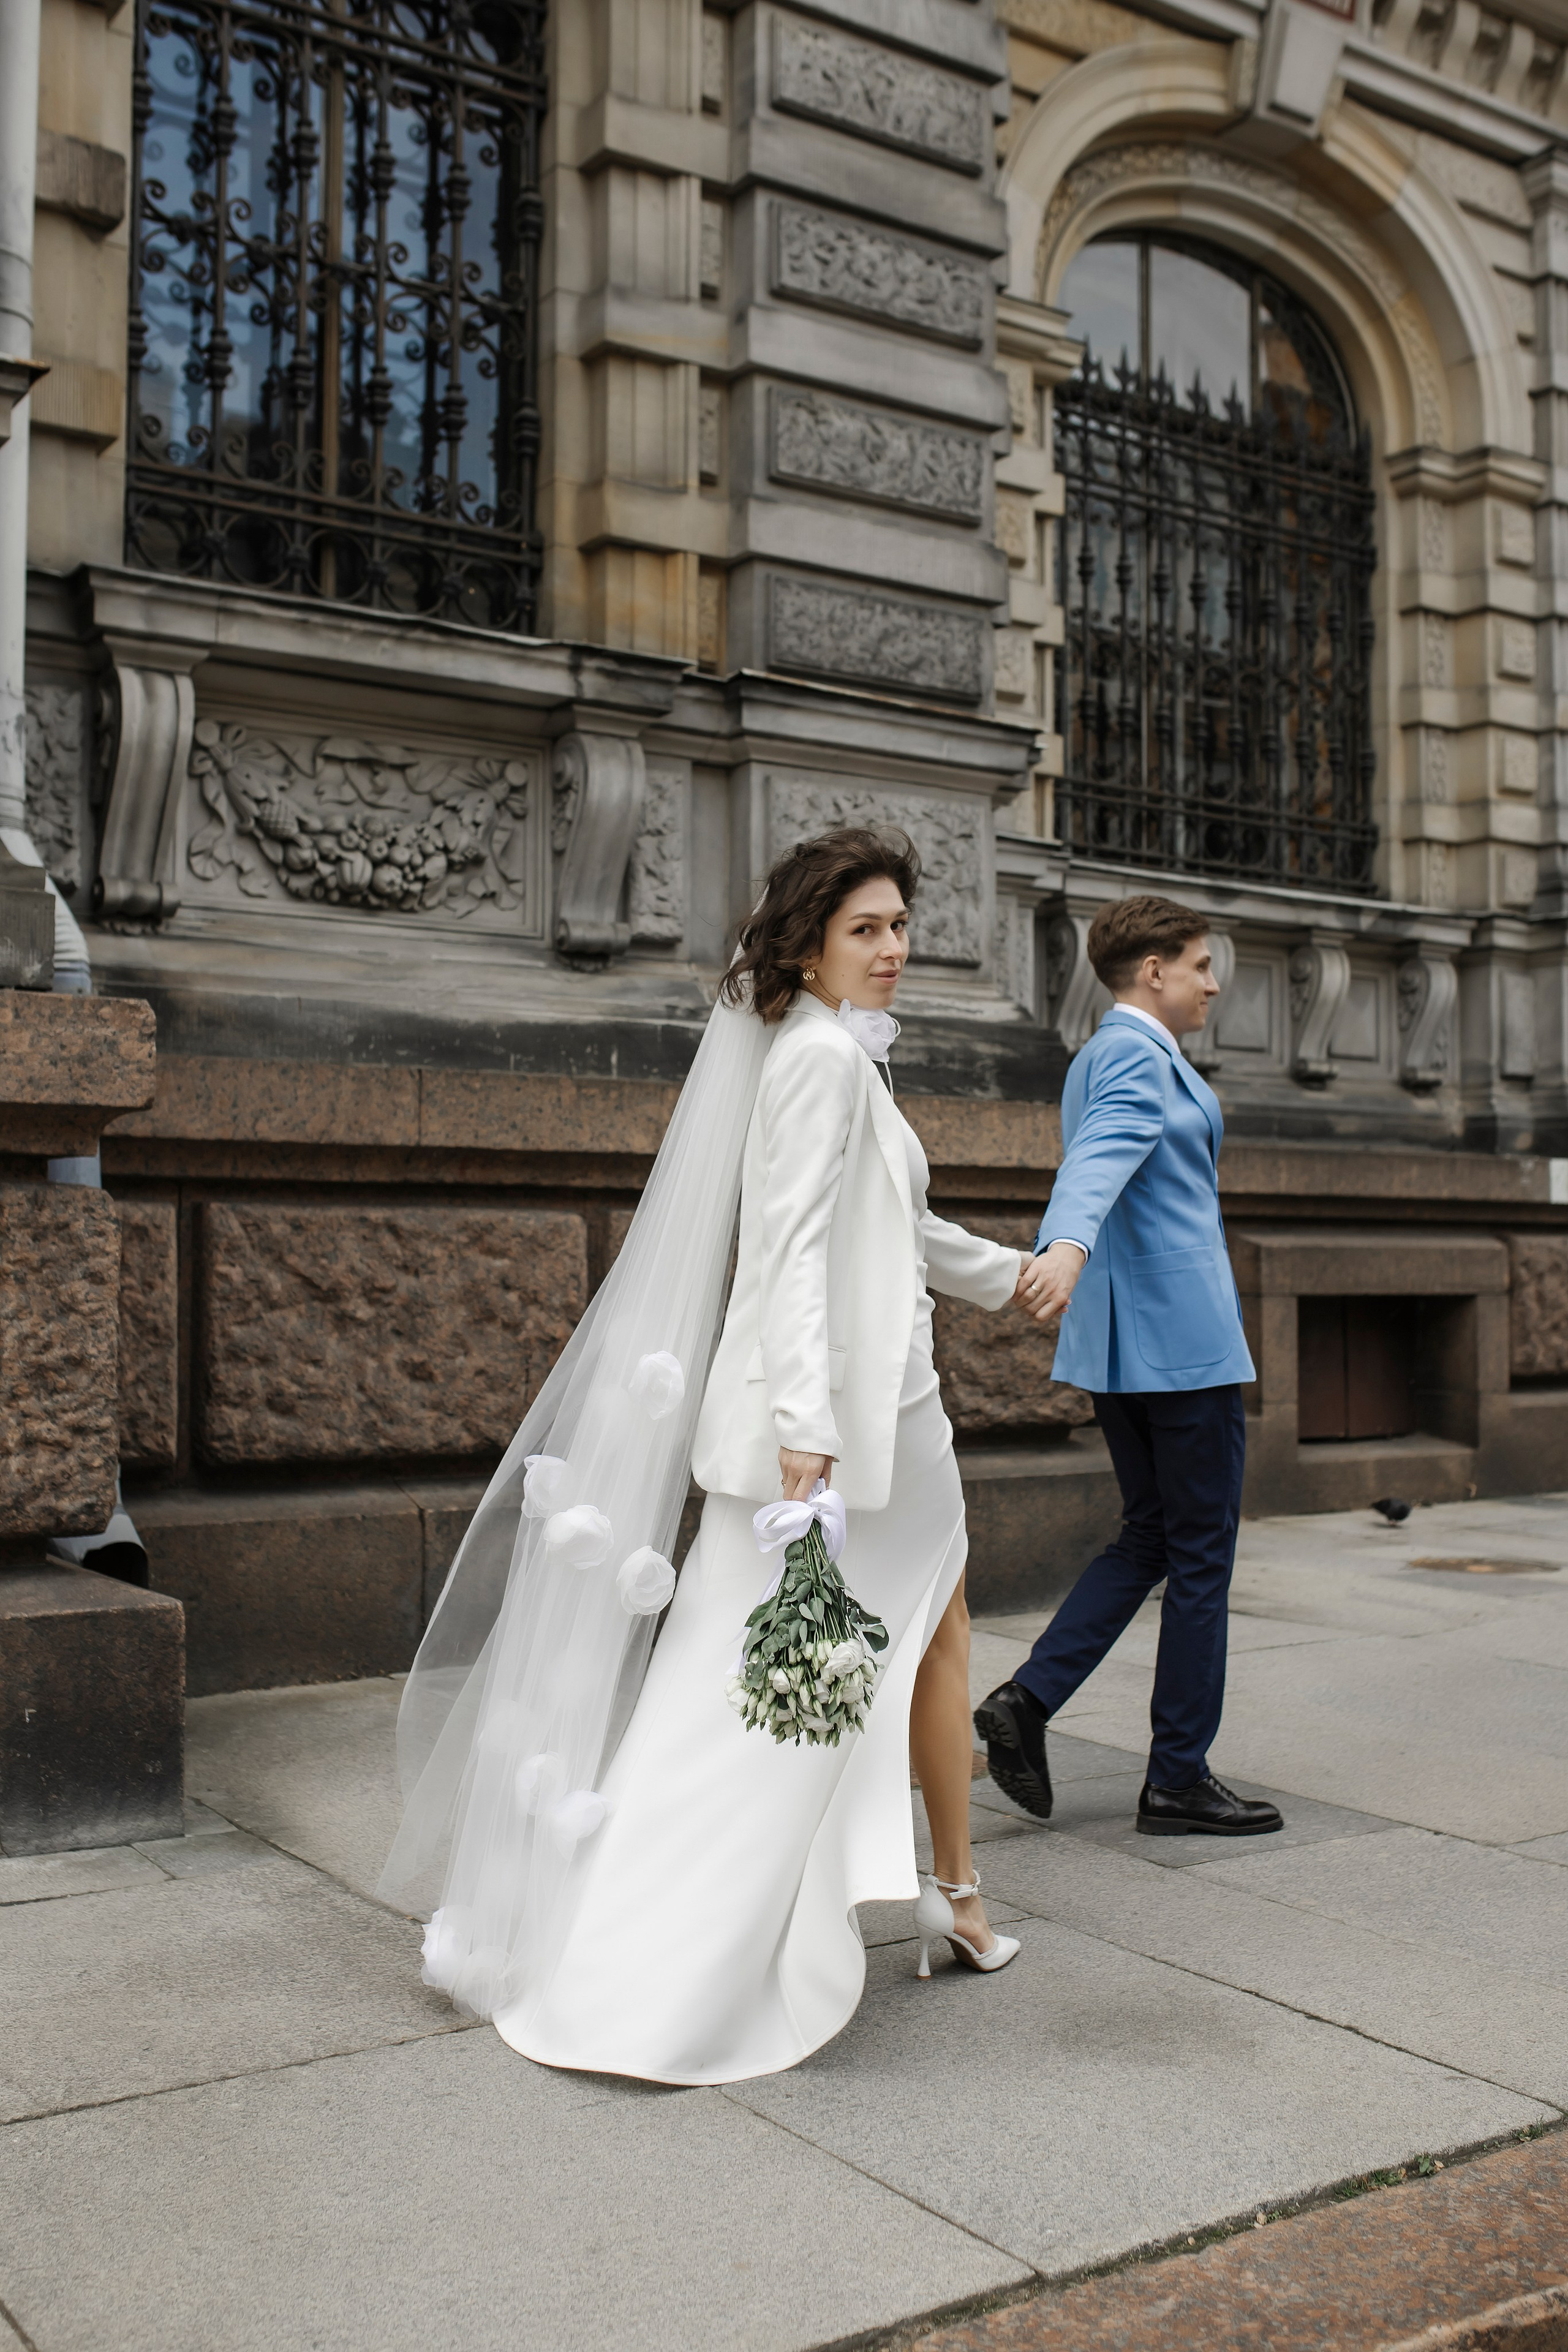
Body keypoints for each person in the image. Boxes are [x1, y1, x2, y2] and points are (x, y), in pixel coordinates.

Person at [379, 827, 1038, 2086]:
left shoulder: (843, 1058)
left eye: (900, 925)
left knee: (933, 1635)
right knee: (748, 1704)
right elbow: (784, 1253)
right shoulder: (815, 1066)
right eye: (865, 930)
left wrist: (1010, 1280)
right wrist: (806, 1435)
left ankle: (955, 1896)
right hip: (834, 1443)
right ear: (807, 945)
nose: (893, 949)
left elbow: (894, 1225)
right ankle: (653, 1972)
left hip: (895, 1420)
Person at [974, 895, 1283, 1840]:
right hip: (1179, 1349)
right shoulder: (1135, 1058)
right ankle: (1179, 1777)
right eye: (1199, 965)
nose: (1211, 982)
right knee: (1199, 1555)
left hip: (1128, 1345)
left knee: (1150, 1536)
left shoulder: (1104, 1057)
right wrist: (1062, 1247)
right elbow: (1098, 1163)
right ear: (1153, 970)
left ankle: (1026, 1703)